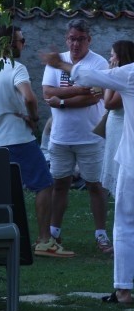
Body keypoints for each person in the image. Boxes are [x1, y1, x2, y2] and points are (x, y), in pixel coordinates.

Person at [42, 48, 134, 303]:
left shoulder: (130, 73)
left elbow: (92, 76)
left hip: (132, 161)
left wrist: (61, 63)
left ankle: (124, 289)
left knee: (126, 225)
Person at [0, 25, 60, 254]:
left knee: (4, 192)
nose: (24, 44)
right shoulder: (16, 68)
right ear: (13, 43)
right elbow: (30, 98)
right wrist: (32, 117)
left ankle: (0, 240)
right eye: (23, 40)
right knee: (44, 184)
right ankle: (44, 241)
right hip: (18, 138)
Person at [39, 19, 110, 256]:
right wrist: (80, 90)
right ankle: (54, 233)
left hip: (90, 137)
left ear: (89, 39)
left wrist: (61, 102)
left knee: (95, 186)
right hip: (60, 136)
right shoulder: (57, 60)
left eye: (80, 38)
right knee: (60, 184)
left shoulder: (98, 62)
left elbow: (95, 96)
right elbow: (47, 92)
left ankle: (101, 234)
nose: (75, 43)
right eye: (71, 38)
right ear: (66, 39)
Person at [101, 40, 131, 196]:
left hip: (121, 131)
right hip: (114, 128)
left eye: (112, 55)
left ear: (120, 58)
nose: (109, 60)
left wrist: (110, 80)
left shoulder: (126, 79)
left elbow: (109, 103)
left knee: (122, 174)